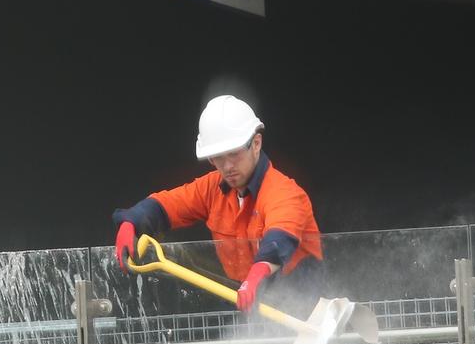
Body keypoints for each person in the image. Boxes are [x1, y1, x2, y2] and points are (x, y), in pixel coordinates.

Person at [112, 95, 323, 314]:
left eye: (234, 154)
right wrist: (131, 222)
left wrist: (257, 272)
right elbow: (165, 205)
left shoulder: (284, 192)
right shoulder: (212, 189)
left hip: (302, 307)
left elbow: (280, 236)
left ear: (256, 143)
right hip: (245, 303)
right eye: (218, 158)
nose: (228, 166)